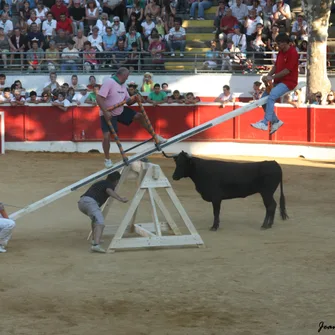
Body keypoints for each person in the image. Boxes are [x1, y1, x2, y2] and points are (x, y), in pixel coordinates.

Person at [96, 67, 167, 169]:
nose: (128, 77)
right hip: (107, 112)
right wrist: (106, 111)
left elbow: (128, 101)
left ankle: (155, 136)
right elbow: (99, 98)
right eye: (127, 75)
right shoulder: (109, 82)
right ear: (123, 75)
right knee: (107, 136)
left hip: (119, 110)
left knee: (139, 116)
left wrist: (135, 98)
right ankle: (107, 159)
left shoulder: (123, 85)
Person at [251, 33, 299, 135]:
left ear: (286, 43)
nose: (278, 45)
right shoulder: (280, 52)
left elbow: (287, 71)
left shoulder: (293, 53)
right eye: (278, 43)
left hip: (288, 82)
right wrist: (268, 76)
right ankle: (276, 121)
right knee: (263, 101)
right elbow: (276, 67)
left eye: (280, 43)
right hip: (278, 82)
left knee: (271, 96)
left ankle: (264, 123)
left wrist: (271, 77)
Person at [78, 172, 128, 253]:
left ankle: (95, 240)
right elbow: (108, 190)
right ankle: (96, 245)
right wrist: (120, 199)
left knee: (95, 219)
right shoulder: (109, 185)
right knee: (100, 222)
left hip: (82, 203)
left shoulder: (101, 182)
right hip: (90, 203)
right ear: (116, 180)